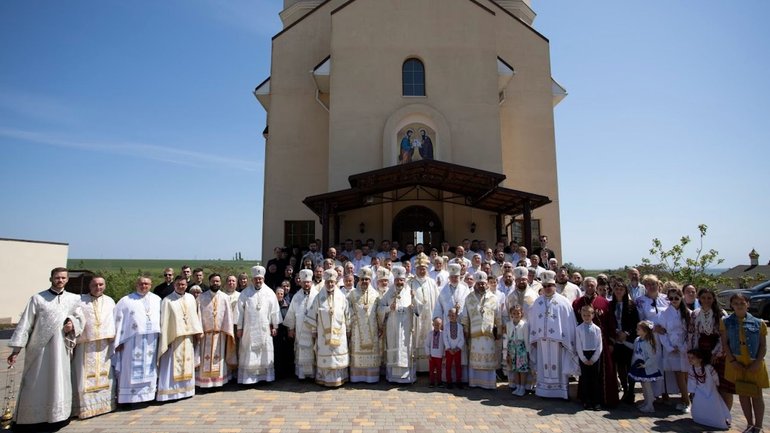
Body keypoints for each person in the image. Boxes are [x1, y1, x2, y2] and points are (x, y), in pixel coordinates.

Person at [7, 267, 84, 428]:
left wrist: (72, 323)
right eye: (57, 278)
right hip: (39, 349)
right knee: (35, 381)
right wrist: (16, 349)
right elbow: (25, 324)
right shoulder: (38, 298)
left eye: (63, 278)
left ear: (67, 280)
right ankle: (31, 419)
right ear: (51, 279)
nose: (60, 280)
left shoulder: (74, 299)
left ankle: (59, 416)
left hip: (61, 349)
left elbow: (80, 319)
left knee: (59, 380)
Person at [721, 293, 769, 433]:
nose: (739, 305)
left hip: (754, 362)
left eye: (742, 303)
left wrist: (757, 363)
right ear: (731, 305)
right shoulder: (726, 322)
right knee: (743, 393)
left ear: (748, 304)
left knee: (756, 394)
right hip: (736, 362)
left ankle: (758, 425)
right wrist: (732, 361)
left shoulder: (759, 323)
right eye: (736, 303)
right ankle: (749, 423)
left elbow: (763, 346)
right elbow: (725, 343)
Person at [528, 270, 579, 400]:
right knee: (543, 366)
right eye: (544, 286)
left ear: (554, 285)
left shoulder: (563, 302)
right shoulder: (537, 302)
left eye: (549, 285)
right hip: (542, 342)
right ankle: (543, 391)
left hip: (559, 342)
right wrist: (533, 338)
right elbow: (532, 321)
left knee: (559, 367)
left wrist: (566, 339)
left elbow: (569, 323)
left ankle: (561, 392)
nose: (547, 288)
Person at [112, 276, 162, 404]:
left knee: (150, 368)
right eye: (141, 283)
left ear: (151, 285)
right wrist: (118, 341)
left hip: (152, 341)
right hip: (131, 342)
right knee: (129, 369)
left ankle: (148, 397)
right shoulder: (126, 300)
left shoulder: (157, 299)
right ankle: (129, 399)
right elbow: (118, 320)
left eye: (146, 284)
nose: (144, 286)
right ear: (136, 284)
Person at [72, 276, 116, 419]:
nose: (98, 287)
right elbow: (74, 318)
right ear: (89, 286)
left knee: (106, 373)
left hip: (104, 344)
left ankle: (106, 405)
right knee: (83, 374)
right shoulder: (80, 301)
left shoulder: (110, 301)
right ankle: (84, 408)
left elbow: (114, 319)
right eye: (95, 285)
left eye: (101, 285)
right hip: (86, 344)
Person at [572, 277, 618, 407]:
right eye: (587, 285)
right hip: (584, 344)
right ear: (583, 286)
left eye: (592, 285)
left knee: (602, 374)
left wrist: (610, 342)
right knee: (586, 375)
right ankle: (586, 399)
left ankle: (602, 399)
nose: (589, 287)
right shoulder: (577, 303)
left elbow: (610, 323)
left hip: (601, 342)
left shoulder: (604, 303)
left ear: (596, 287)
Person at [157, 276, 203, 402]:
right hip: (174, 338)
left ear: (186, 285)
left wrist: (197, 331)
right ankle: (170, 393)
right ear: (174, 285)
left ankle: (186, 390)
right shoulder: (167, 301)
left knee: (187, 362)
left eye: (183, 284)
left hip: (187, 338)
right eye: (178, 284)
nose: (181, 286)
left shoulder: (190, 298)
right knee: (172, 365)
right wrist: (167, 338)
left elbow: (194, 316)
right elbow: (165, 321)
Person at [236, 266, 282, 384]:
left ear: (263, 279)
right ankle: (249, 379)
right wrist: (239, 328)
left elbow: (274, 310)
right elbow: (239, 311)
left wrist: (275, 326)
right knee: (249, 352)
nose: (258, 281)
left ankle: (265, 377)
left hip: (265, 328)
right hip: (248, 329)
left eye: (260, 279)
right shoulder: (245, 293)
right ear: (252, 279)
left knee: (264, 353)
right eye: (256, 279)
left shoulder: (270, 293)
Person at [305, 269, 350, 387]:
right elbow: (312, 315)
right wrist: (314, 330)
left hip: (339, 333)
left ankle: (340, 378)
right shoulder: (318, 298)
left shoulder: (342, 297)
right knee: (326, 356)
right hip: (323, 334)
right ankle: (324, 379)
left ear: (335, 283)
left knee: (337, 355)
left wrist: (349, 329)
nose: (330, 284)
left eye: (332, 282)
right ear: (325, 282)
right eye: (328, 282)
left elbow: (348, 314)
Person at [690, 288, 732, 408]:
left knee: (722, 384)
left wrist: (716, 353)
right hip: (701, 350)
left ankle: (725, 412)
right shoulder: (696, 313)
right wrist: (694, 353)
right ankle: (708, 411)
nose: (706, 300)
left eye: (709, 298)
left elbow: (723, 336)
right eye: (703, 298)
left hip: (717, 350)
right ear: (699, 299)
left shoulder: (721, 314)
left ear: (714, 299)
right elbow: (693, 333)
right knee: (705, 381)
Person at [378, 266, 421, 384]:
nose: (399, 282)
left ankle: (407, 378)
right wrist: (388, 308)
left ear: (404, 280)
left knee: (406, 348)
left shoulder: (410, 291)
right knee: (394, 347)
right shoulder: (389, 292)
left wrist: (414, 302)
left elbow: (418, 309)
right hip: (393, 327)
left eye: (401, 280)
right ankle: (392, 377)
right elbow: (380, 308)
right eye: (397, 280)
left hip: (406, 327)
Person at [195, 273, 237, 389]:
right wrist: (199, 330)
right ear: (209, 282)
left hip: (220, 335)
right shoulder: (201, 297)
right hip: (205, 334)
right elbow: (198, 315)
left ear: (220, 283)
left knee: (219, 359)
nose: (215, 283)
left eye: (217, 281)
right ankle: (205, 383)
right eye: (213, 281)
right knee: (205, 360)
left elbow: (228, 316)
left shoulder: (224, 297)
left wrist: (228, 331)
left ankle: (218, 383)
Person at [461, 271, 501, 389]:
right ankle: (475, 382)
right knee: (475, 359)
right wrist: (466, 331)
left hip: (489, 335)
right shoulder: (469, 298)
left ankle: (489, 383)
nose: (481, 286)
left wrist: (498, 331)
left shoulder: (493, 298)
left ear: (487, 284)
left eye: (483, 283)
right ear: (475, 284)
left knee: (489, 358)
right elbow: (465, 316)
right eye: (479, 284)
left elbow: (498, 316)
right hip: (474, 335)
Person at [347, 266, 381, 383]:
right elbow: (347, 309)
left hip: (372, 328)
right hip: (357, 328)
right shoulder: (352, 294)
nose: (364, 281)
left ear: (370, 280)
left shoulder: (376, 295)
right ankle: (357, 377)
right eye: (362, 279)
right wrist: (353, 318)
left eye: (367, 279)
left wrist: (381, 326)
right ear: (359, 280)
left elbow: (379, 312)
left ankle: (371, 377)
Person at [659, 286, 691, 412]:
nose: (673, 300)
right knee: (678, 374)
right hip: (671, 348)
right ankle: (685, 400)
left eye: (676, 297)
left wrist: (684, 346)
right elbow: (662, 332)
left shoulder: (688, 313)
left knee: (686, 374)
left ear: (681, 297)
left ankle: (686, 399)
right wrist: (670, 347)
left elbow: (690, 331)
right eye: (671, 298)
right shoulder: (664, 313)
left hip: (685, 346)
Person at [283, 269, 319, 380]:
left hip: (313, 329)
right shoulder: (296, 296)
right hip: (300, 328)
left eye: (308, 282)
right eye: (304, 282)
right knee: (301, 350)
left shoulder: (317, 295)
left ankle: (313, 374)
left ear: (311, 282)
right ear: (301, 283)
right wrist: (291, 328)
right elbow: (291, 313)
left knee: (313, 350)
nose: (306, 284)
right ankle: (302, 374)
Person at [609, 282, 640, 404]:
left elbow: (635, 322)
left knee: (629, 366)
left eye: (621, 289)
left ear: (625, 291)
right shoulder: (611, 305)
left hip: (628, 340)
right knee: (620, 367)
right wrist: (615, 333)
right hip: (616, 340)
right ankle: (625, 390)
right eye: (616, 288)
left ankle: (631, 391)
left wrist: (626, 333)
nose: (619, 291)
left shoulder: (632, 305)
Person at [409, 253, 440, 372]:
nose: (422, 271)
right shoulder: (410, 282)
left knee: (428, 339)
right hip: (415, 318)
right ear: (415, 269)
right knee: (416, 339)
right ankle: (416, 368)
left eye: (424, 269)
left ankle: (429, 368)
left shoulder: (431, 283)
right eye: (419, 268)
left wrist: (437, 317)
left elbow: (437, 300)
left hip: (429, 316)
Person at [687, 348, 732, 430]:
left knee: (714, 405)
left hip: (711, 389)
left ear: (700, 359)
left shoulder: (708, 368)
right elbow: (692, 382)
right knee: (700, 404)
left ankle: (717, 420)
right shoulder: (691, 369)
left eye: (692, 358)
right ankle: (702, 419)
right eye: (689, 357)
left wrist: (717, 386)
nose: (690, 360)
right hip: (699, 391)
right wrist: (692, 391)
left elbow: (715, 378)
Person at [629, 320, 662, 413]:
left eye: (638, 329)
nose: (636, 330)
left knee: (647, 386)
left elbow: (652, 357)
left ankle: (650, 404)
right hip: (639, 364)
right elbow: (634, 348)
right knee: (643, 385)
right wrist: (624, 342)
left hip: (646, 367)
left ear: (645, 331)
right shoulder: (637, 340)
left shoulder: (648, 343)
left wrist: (645, 365)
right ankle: (646, 401)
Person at [576, 305, 603, 410]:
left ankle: (596, 401)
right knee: (585, 379)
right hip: (584, 355)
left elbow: (599, 345)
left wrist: (594, 358)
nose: (586, 317)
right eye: (584, 315)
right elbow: (578, 345)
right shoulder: (578, 329)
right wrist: (583, 358)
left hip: (594, 356)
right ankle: (586, 401)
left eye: (588, 315)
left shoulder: (597, 329)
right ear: (581, 315)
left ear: (593, 315)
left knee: (595, 379)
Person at [503, 305, 529, 396]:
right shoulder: (508, 324)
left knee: (522, 369)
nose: (516, 315)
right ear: (511, 314)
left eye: (518, 313)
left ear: (521, 314)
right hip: (512, 348)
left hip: (521, 348)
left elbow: (526, 338)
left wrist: (528, 351)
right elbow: (508, 337)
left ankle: (522, 387)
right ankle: (517, 386)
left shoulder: (524, 325)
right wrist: (507, 352)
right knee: (514, 368)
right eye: (514, 313)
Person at [443, 308, 464, 389]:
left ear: (457, 316)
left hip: (457, 350)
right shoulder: (446, 326)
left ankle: (459, 382)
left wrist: (457, 348)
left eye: (453, 315)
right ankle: (449, 382)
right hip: (449, 350)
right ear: (448, 316)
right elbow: (445, 338)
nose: (452, 317)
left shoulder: (460, 327)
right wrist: (449, 348)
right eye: (450, 315)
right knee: (448, 366)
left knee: (458, 366)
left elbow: (462, 338)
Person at [424, 317, 444, 387]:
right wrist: (428, 353)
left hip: (439, 355)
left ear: (441, 325)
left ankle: (439, 382)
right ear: (433, 324)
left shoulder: (443, 334)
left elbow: (444, 345)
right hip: (432, 355)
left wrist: (444, 354)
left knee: (439, 370)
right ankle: (431, 382)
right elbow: (426, 344)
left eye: (438, 324)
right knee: (431, 370)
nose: (436, 326)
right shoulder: (430, 333)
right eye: (435, 324)